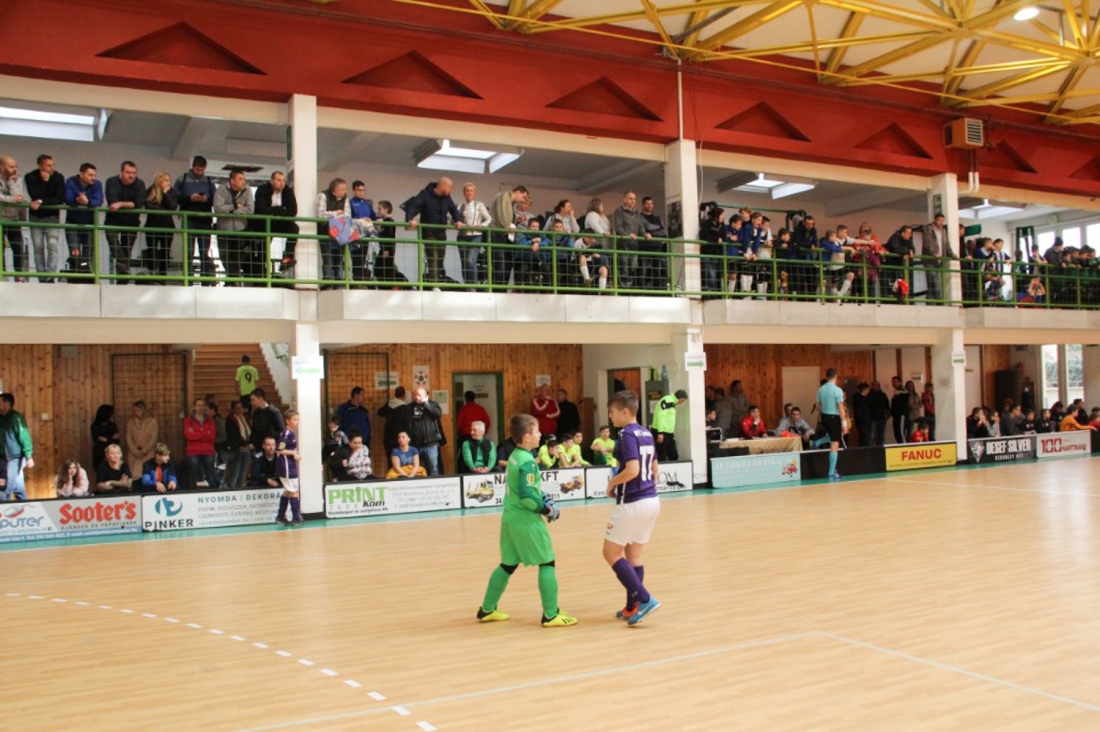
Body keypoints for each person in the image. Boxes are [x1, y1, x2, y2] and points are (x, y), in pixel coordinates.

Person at [475, 413, 576, 628]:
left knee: (507, 564)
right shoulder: (528, 462)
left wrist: (543, 496)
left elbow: (527, 489)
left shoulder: (515, 456)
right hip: (526, 521)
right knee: (547, 562)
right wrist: (547, 510)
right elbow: (528, 497)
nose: (540, 435)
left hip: (510, 520)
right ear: (527, 436)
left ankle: (487, 609)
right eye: (537, 431)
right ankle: (550, 615)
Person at [602, 390, 661, 625]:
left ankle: (645, 599)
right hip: (652, 501)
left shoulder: (626, 434)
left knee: (611, 553)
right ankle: (631, 607)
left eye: (612, 412)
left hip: (633, 503)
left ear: (625, 411)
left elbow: (633, 470)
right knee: (634, 556)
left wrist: (612, 483)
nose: (610, 416)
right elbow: (655, 469)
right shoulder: (646, 432)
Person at [405, 177, 464, 284]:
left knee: (440, 257)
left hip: (441, 232)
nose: (451, 190)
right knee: (432, 256)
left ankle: (438, 280)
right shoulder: (425, 194)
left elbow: (453, 210)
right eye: (450, 188)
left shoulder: (447, 198)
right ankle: (434, 283)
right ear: (443, 187)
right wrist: (410, 219)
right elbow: (413, 206)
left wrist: (458, 220)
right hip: (428, 232)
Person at [173, 155, 218, 282]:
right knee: (188, 251)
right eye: (197, 170)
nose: (199, 173)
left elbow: (215, 200)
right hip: (189, 219)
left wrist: (206, 199)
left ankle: (205, 279)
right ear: (192, 167)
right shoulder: (182, 179)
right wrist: (189, 198)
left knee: (204, 251)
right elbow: (175, 198)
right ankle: (188, 279)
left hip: (205, 220)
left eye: (202, 170)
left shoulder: (209, 181)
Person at [104, 160, 146, 281]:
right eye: (128, 172)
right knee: (113, 243)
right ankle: (123, 267)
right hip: (113, 220)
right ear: (121, 172)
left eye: (134, 173)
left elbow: (139, 204)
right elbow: (112, 201)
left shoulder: (140, 184)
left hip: (131, 221)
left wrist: (121, 204)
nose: (131, 175)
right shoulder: (111, 181)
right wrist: (126, 204)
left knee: (127, 249)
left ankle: (123, 279)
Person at [252, 170, 299, 272]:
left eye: (283, 180)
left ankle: (287, 257)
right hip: (264, 224)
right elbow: (262, 209)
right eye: (278, 180)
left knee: (294, 228)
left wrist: (273, 211)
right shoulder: (262, 190)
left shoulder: (287, 191)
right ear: (271, 181)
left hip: (280, 223)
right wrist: (281, 209)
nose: (281, 183)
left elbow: (293, 211)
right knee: (263, 250)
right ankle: (261, 272)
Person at [214, 169, 255, 283]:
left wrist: (233, 211)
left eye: (244, 179)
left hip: (240, 229)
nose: (243, 182)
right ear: (232, 181)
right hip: (223, 229)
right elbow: (218, 208)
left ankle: (233, 281)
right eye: (240, 179)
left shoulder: (247, 190)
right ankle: (233, 280)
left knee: (237, 257)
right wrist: (234, 206)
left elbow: (250, 209)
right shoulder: (221, 189)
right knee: (224, 256)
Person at [64, 163, 103, 276]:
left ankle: (86, 276)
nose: (93, 178)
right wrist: (77, 200)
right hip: (73, 223)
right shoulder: (70, 182)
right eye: (90, 175)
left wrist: (88, 202)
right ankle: (75, 275)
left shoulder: (97, 184)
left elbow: (99, 201)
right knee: (74, 251)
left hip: (90, 224)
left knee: (88, 253)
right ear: (81, 174)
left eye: (94, 175)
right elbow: (67, 198)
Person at [488, 185, 529, 288]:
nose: (523, 200)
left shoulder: (512, 204)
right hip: (497, 234)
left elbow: (507, 220)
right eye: (523, 197)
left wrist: (515, 222)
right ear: (518, 192)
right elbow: (501, 214)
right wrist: (507, 226)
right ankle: (497, 290)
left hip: (506, 236)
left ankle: (502, 289)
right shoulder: (503, 196)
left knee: (507, 264)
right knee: (500, 264)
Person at [143, 171, 178, 280]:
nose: (168, 183)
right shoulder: (151, 190)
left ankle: (163, 276)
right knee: (152, 251)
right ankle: (152, 273)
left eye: (169, 180)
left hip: (167, 226)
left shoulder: (171, 192)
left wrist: (165, 193)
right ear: (159, 181)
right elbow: (148, 205)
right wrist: (164, 210)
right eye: (166, 180)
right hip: (152, 225)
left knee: (165, 251)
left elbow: (173, 207)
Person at [0, 393, 34, 501]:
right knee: (18, 487)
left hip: (15, 458)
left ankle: (3, 508)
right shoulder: (1, 419)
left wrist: (28, 456)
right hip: (4, 458)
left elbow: (24, 436)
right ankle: (25, 506)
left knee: (5, 487)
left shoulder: (15, 417)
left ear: (7, 403)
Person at [458, 181, 492, 287]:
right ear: (464, 192)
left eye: (471, 191)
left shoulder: (479, 205)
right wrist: (461, 224)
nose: (469, 193)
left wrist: (482, 225)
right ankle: (467, 285)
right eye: (467, 191)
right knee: (464, 262)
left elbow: (489, 219)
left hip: (476, 235)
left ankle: (473, 285)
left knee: (470, 260)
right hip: (462, 236)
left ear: (474, 192)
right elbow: (453, 220)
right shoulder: (460, 206)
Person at [0, 156, 29, 279]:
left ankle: (19, 276)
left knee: (18, 247)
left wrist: (11, 182)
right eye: (11, 166)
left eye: (15, 166)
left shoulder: (18, 179)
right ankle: (2, 276)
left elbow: (19, 197)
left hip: (13, 219)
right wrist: (12, 199)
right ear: (2, 167)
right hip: (0, 219)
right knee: (1, 249)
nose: (14, 169)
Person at [318, 178, 352, 284]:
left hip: (340, 233)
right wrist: (336, 213)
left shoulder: (345, 198)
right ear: (336, 189)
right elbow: (321, 214)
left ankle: (339, 282)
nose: (345, 191)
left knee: (339, 259)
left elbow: (347, 215)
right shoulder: (323, 196)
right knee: (327, 260)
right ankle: (327, 283)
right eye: (343, 189)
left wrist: (332, 216)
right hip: (325, 233)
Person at [817, 368, 848, 481]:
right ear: (836, 376)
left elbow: (817, 405)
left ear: (826, 376)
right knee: (835, 443)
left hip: (824, 417)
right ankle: (831, 473)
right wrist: (844, 424)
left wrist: (825, 409)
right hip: (834, 417)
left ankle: (817, 442)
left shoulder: (821, 389)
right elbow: (841, 408)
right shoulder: (837, 390)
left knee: (835, 436)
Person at [273, 410, 302, 525]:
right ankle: (296, 518)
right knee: (293, 491)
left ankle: (280, 516)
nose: (297, 422)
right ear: (287, 421)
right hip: (286, 467)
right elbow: (279, 449)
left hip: (290, 465)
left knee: (288, 491)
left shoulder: (291, 433)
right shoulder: (286, 434)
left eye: (298, 419)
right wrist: (293, 453)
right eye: (294, 419)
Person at [408, 388, 445, 476]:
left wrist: (425, 404)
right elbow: (406, 423)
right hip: (415, 444)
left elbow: (438, 414)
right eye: (415, 395)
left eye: (419, 395)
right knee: (416, 470)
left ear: (425, 396)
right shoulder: (409, 407)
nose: (416, 397)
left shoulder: (433, 404)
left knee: (433, 470)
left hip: (430, 443)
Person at [183, 397, 217, 489]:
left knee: (210, 477)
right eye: (198, 405)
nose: (200, 408)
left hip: (208, 452)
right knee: (196, 478)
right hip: (193, 452)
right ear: (194, 407)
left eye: (202, 405)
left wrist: (196, 433)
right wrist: (205, 433)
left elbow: (212, 436)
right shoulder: (188, 420)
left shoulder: (210, 419)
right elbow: (189, 436)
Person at [650, 388, 686, 461]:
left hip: (668, 432)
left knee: (673, 455)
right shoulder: (668, 401)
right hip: (662, 432)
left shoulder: (671, 402)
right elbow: (661, 415)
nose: (682, 403)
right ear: (681, 399)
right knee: (661, 455)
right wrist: (660, 432)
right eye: (683, 401)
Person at [125, 400, 158, 477]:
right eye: (134, 410)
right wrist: (135, 452)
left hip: (147, 453)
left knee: (147, 474)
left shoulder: (153, 422)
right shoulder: (130, 423)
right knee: (134, 475)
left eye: (138, 410)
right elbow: (128, 439)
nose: (135, 412)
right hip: (133, 454)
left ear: (143, 410)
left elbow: (153, 438)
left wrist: (144, 451)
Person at [456, 390, 491, 458]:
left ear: (465, 398)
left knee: (464, 457)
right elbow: (487, 422)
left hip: (465, 436)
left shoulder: (463, 409)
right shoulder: (480, 409)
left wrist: (456, 435)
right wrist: (483, 433)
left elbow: (458, 424)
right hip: (477, 435)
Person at [378, 386, 410, 461]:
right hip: (400, 438)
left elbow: (380, 413)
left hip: (388, 437)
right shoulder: (405, 408)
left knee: (390, 460)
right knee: (400, 460)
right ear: (404, 395)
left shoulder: (389, 404)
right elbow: (407, 424)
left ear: (395, 394)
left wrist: (388, 403)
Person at [225, 401, 252, 490]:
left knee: (244, 473)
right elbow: (233, 436)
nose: (240, 410)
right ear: (233, 409)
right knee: (235, 473)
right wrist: (244, 444)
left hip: (247, 449)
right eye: (237, 408)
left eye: (241, 408)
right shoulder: (230, 420)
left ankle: (241, 489)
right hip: (237, 449)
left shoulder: (246, 418)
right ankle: (232, 490)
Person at [91, 404, 121, 476]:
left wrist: (106, 440)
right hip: (99, 455)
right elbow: (96, 441)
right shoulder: (95, 426)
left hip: (112, 454)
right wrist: (111, 439)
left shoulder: (112, 425)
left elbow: (117, 440)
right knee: (101, 475)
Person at [868, 380, 890, 446]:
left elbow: (887, 405)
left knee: (881, 436)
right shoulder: (869, 395)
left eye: (878, 385)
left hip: (882, 418)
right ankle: (872, 450)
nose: (877, 387)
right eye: (876, 385)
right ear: (872, 386)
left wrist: (887, 414)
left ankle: (881, 449)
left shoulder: (883, 395)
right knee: (872, 436)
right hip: (872, 418)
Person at [890, 377, 910, 444]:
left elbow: (907, 393)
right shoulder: (896, 391)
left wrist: (900, 392)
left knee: (901, 432)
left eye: (895, 381)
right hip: (896, 415)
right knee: (897, 433)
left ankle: (904, 447)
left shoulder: (903, 389)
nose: (893, 383)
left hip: (901, 415)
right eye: (893, 382)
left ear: (900, 382)